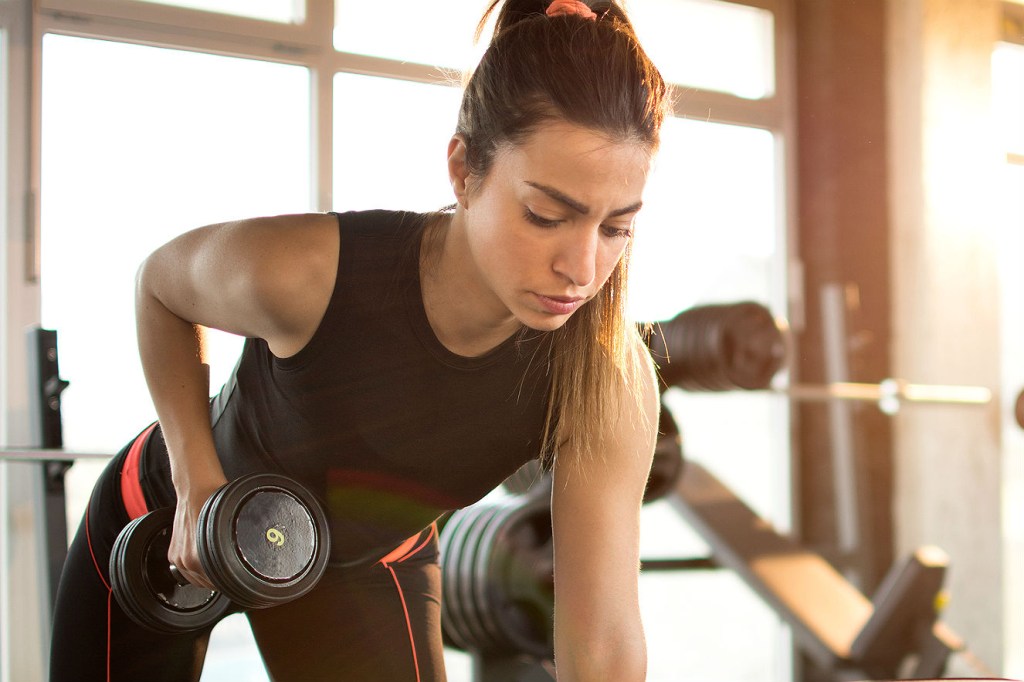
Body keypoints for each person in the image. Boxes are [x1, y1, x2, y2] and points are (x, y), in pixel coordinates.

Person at [48, 0, 669, 679]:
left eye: (616, 229)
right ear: (463, 171)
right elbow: (159, 287)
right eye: (547, 215)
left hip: (359, 565)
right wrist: (197, 480)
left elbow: (603, 644)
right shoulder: (311, 272)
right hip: (172, 518)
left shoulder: (604, 374)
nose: (580, 270)